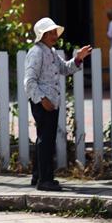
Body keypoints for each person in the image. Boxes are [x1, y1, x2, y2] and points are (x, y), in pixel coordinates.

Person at [23, 17, 92, 192]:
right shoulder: (36, 52)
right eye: (51, 32)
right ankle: (45, 180)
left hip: (51, 102)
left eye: (55, 32)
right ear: (43, 35)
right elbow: (29, 81)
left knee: (44, 139)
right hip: (44, 102)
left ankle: (38, 176)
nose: (55, 35)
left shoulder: (51, 52)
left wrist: (78, 59)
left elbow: (65, 69)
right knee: (46, 140)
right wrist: (41, 99)